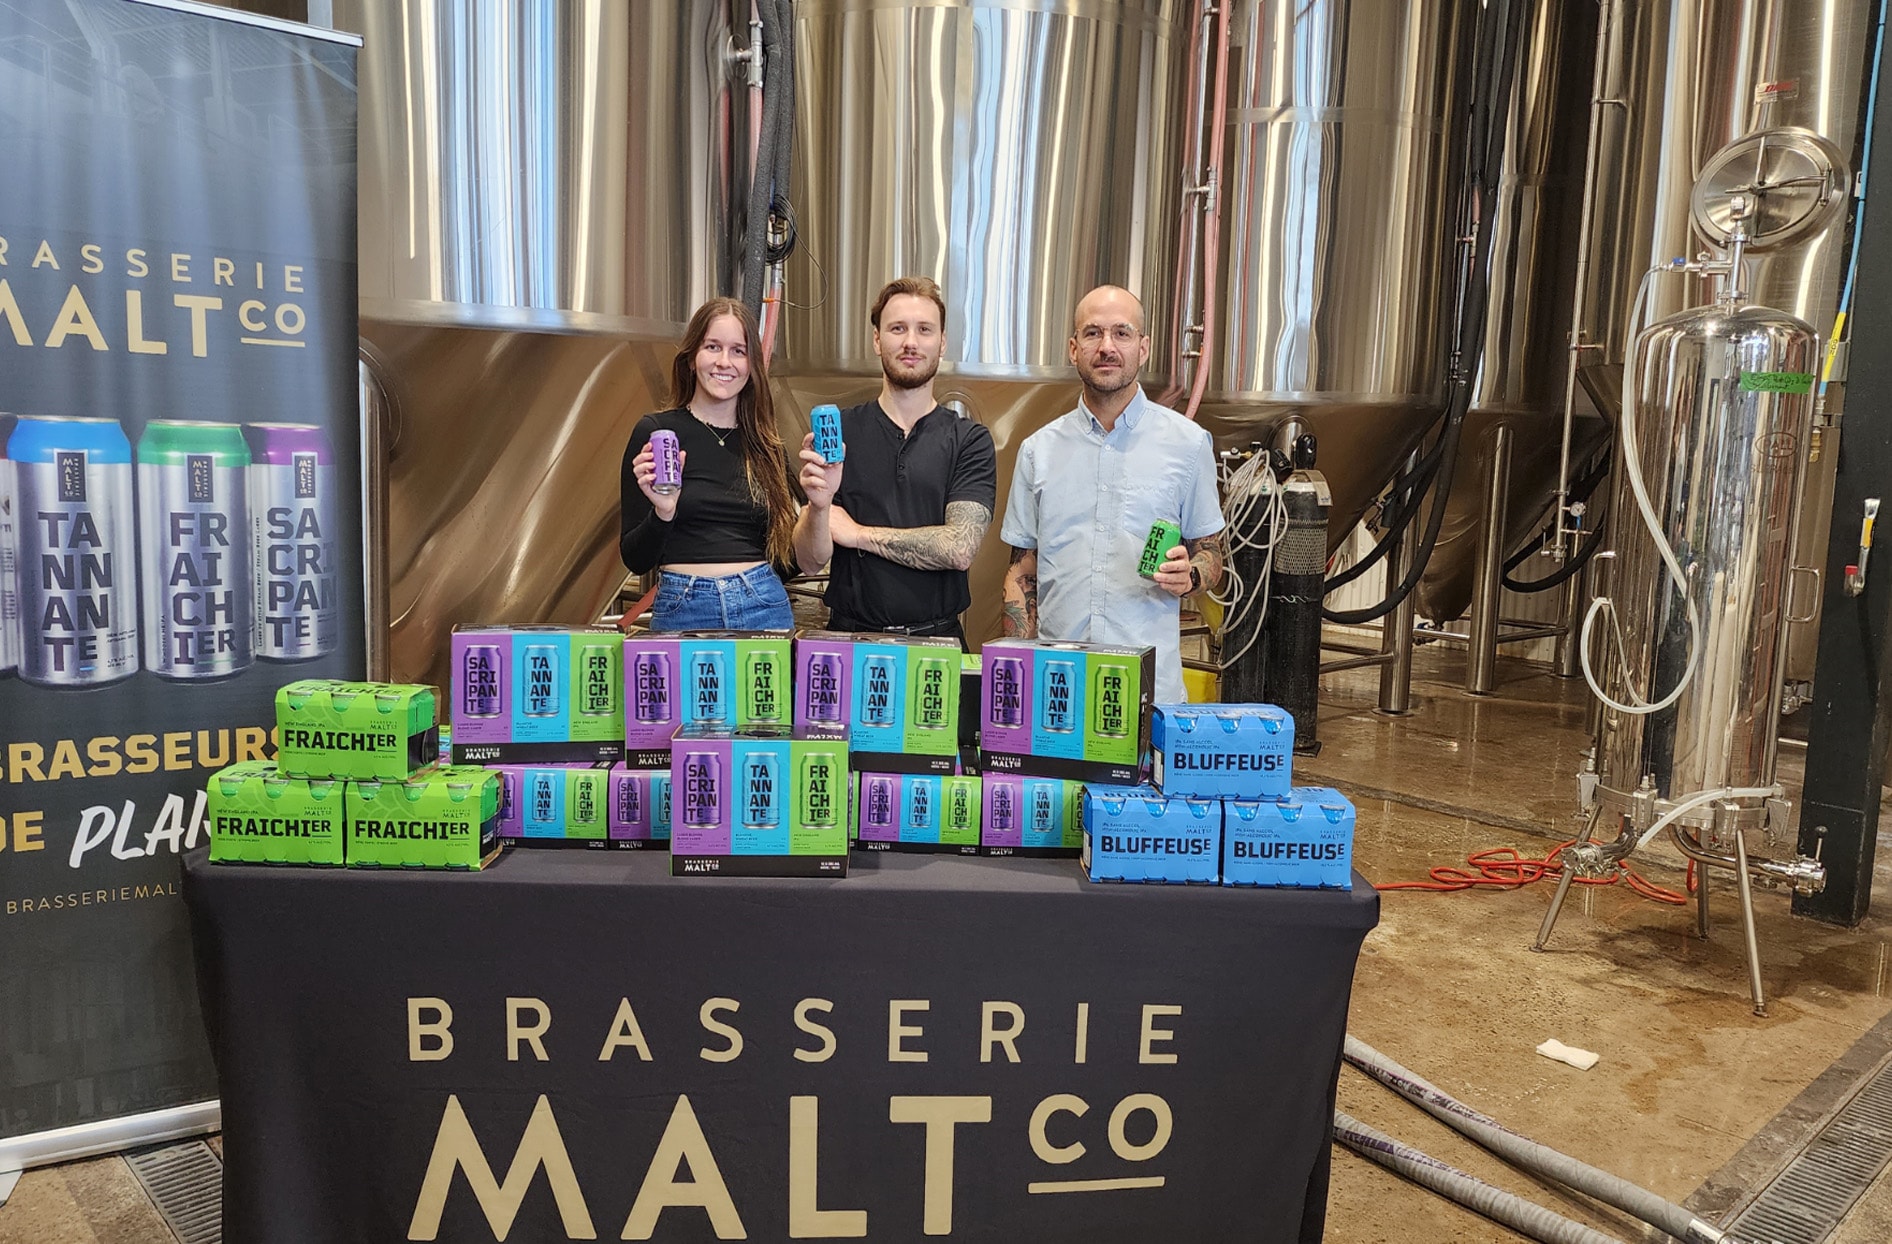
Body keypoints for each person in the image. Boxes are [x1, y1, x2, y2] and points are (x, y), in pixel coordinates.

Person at [999, 284, 1225, 704]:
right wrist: (1018, 674)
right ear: (1072, 348)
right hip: (1057, 687)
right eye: (1092, 333)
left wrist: (1190, 575)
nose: (1107, 346)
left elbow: (1212, 554)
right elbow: (1021, 572)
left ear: (1143, 348)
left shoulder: (1189, 445)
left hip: (1148, 691)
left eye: (1121, 333)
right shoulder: (1037, 452)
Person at [793, 276, 997, 640]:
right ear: (877, 340)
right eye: (897, 328)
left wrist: (857, 534)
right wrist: (820, 508)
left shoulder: (969, 440)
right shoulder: (839, 433)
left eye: (924, 330)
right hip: (850, 643)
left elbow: (959, 549)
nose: (911, 342)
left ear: (942, 342)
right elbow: (809, 563)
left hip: (938, 647)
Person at [620, 297, 798, 631]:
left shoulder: (766, 444)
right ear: (691, 358)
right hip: (682, 606)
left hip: (763, 603)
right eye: (712, 347)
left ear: (751, 366)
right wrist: (663, 513)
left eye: (738, 351)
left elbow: (787, 559)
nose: (724, 362)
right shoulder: (657, 433)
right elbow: (635, 558)